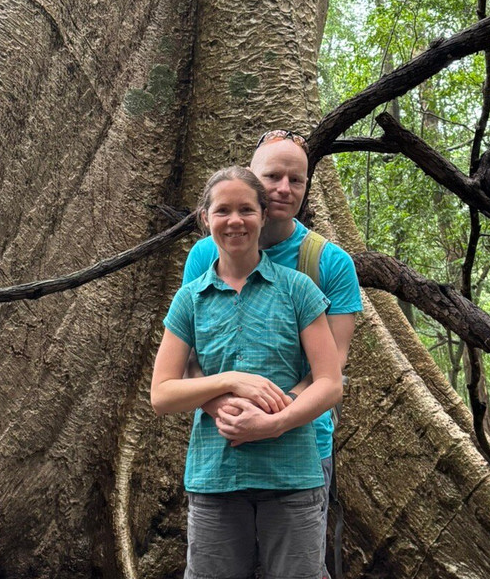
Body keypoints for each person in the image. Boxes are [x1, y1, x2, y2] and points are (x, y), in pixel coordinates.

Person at [151, 166, 342, 578]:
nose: (234, 221)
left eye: (246, 210)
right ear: (206, 218)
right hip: (216, 479)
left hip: (292, 475)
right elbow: (162, 393)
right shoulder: (190, 299)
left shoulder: (298, 290)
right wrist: (229, 381)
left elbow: (329, 383)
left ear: (262, 215)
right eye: (223, 211)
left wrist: (275, 423)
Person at [182, 131, 362, 518]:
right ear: (250, 178)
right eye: (272, 177)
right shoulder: (204, 255)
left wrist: (272, 420)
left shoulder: (330, 263)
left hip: (303, 445)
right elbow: (189, 355)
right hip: (221, 441)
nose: (284, 189)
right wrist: (225, 408)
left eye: (296, 180)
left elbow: (331, 367)